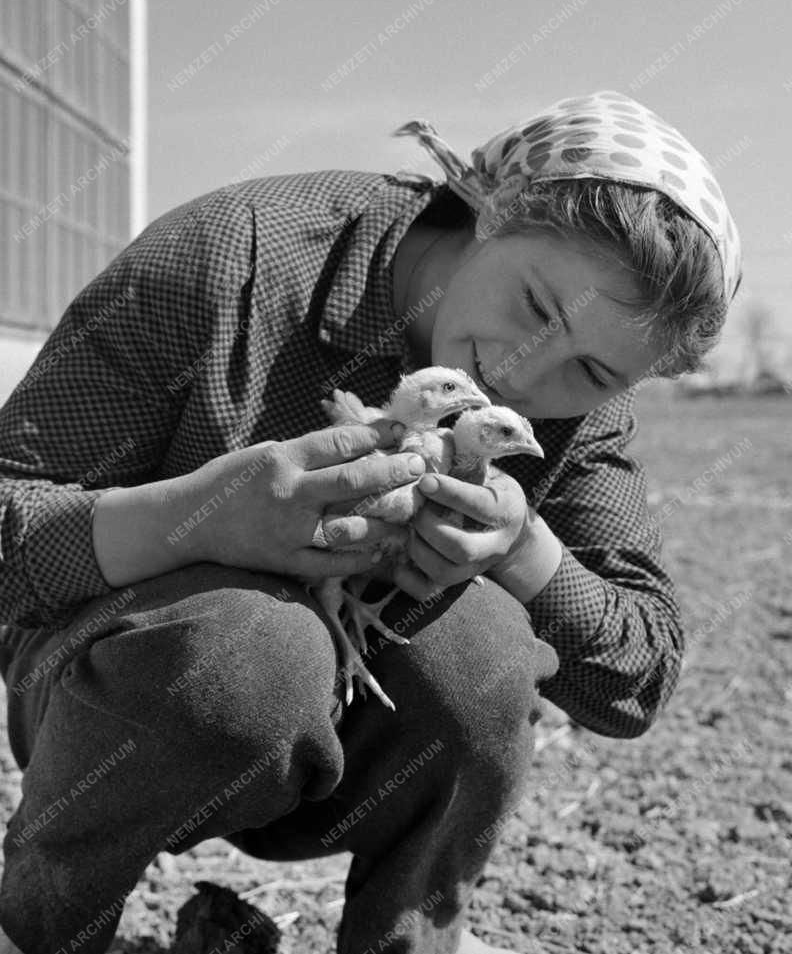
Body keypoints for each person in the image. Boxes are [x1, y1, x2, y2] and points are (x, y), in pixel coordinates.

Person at [0, 90, 741, 954]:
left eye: (591, 370)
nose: (524, 371)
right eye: (536, 306)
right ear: (492, 212)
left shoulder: (577, 408)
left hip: (353, 732)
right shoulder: (230, 258)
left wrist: (520, 550)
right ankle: (35, 926)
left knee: (488, 649)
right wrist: (193, 521)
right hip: (103, 704)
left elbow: (639, 676)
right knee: (256, 652)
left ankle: (409, 939)